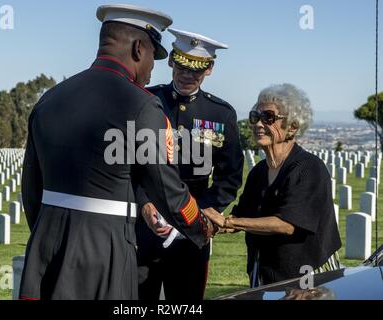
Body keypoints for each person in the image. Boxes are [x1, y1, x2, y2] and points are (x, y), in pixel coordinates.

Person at [19, 4, 215, 300]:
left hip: (46, 251)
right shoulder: (142, 105)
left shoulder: (50, 99)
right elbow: (164, 186)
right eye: (153, 56)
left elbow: (31, 189)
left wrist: (51, 235)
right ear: (139, 49)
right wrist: (199, 226)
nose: (151, 70)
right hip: (105, 254)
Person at [135, 28, 244, 300]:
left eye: (196, 70)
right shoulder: (146, 100)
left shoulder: (220, 113)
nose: (187, 75)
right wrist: (144, 203)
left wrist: (201, 214)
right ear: (171, 61)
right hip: (143, 229)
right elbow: (128, 166)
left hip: (192, 231)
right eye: (182, 66)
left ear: (209, 70)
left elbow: (229, 176)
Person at [204, 83, 342, 287]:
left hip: (307, 276)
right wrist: (205, 221)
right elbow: (243, 215)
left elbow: (288, 224)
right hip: (266, 273)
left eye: (268, 117)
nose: (259, 124)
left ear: (293, 126)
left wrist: (228, 223)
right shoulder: (259, 172)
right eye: (255, 117)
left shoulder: (308, 168)